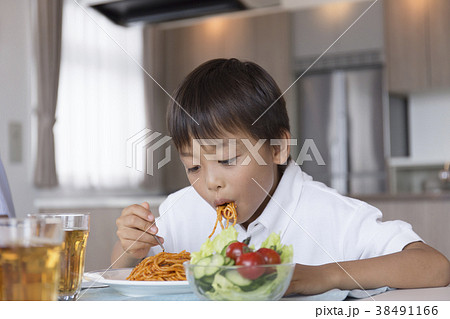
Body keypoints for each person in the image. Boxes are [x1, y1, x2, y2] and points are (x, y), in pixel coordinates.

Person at [112, 58, 450, 295]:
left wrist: (322, 276)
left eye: (227, 159)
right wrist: (131, 247)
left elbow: (433, 266)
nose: (210, 181)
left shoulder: (331, 214)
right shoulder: (182, 208)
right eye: (194, 167)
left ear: (278, 148)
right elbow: (123, 269)